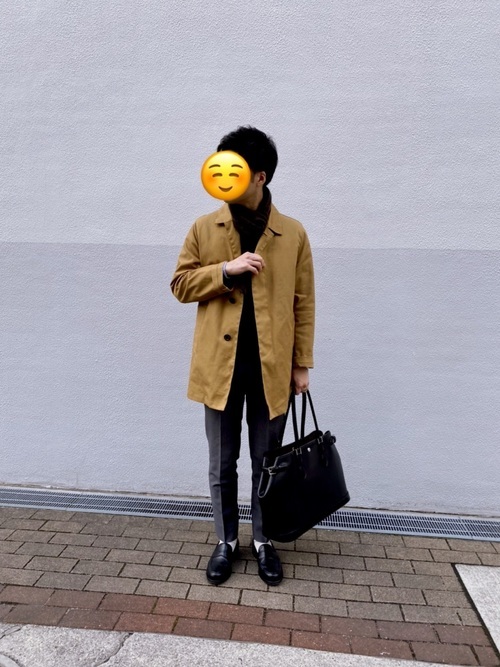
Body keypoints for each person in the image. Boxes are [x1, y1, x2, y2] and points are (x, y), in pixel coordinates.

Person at [171, 126, 315, 586]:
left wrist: (301, 363)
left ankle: (264, 541)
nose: (222, 176)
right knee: (222, 461)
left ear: (259, 176)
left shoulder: (292, 233)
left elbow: (303, 301)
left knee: (266, 461)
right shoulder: (204, 227)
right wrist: (225, 271)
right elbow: (180, 284)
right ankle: (226, 541)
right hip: (220, 367)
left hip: (272, 368)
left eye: (232, 169)